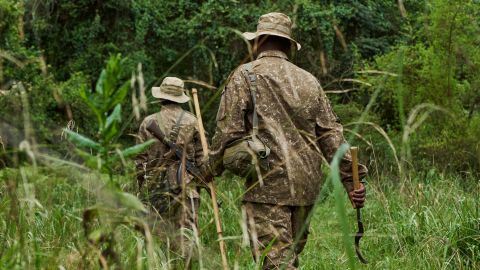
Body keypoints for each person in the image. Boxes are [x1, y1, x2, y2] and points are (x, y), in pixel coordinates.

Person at [206, 12, 368, 269]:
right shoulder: (310, 81)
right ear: (288, 46)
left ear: (257, 43)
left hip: (266, 188)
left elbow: (227, 132)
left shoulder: (245, 75)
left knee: (277, 264)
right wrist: (352, 180)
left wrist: (209, 169)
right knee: (287, 257)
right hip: (306, 189)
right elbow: (332, 138)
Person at [135, 77, 203, 259]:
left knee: (157, 240)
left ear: (160, 97)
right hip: (186, 188)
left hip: (156, 189)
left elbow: (139, 163)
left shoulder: (147, 122)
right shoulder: (193, 122)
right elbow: (203, 159)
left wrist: (141, 189)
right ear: (180, 96)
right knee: (187, 238)